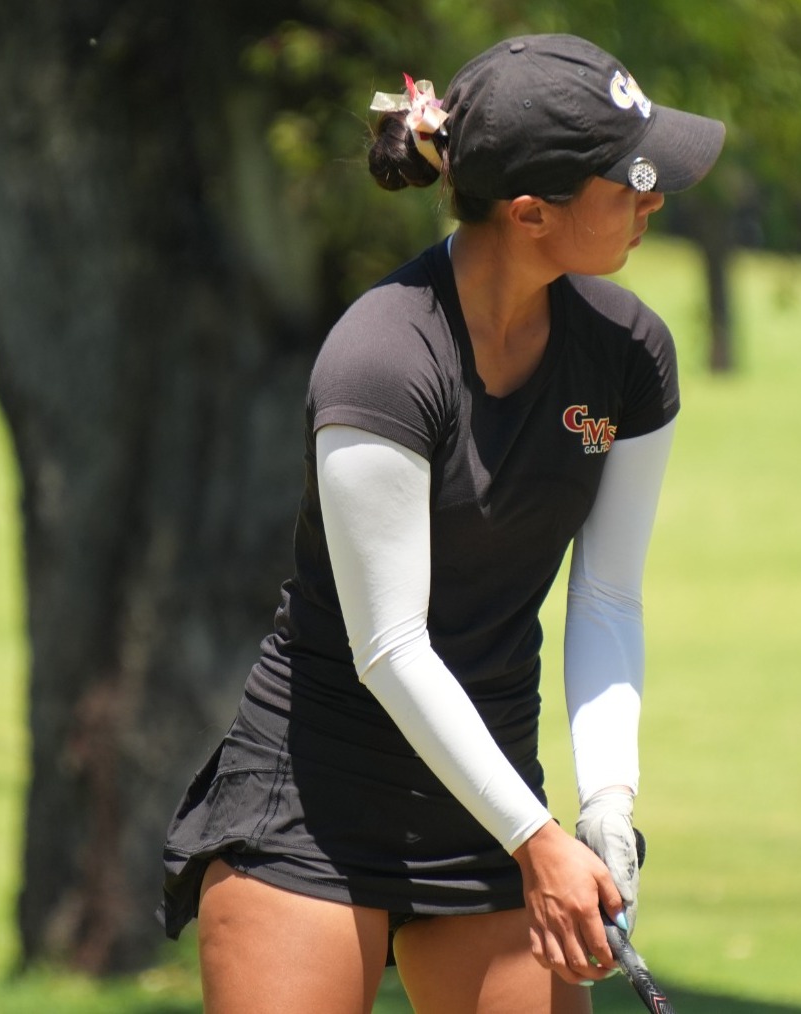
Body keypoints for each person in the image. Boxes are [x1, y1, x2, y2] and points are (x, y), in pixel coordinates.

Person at [158, 33, 726, 1013]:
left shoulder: (629, 356)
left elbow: (605, 594)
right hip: (314, 802)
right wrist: (536, 838)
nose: (655, 198)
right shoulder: (381, 359)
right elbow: (390, 646)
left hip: (488, 795)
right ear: (531, 213)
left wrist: (604, 804)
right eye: (629, 180)